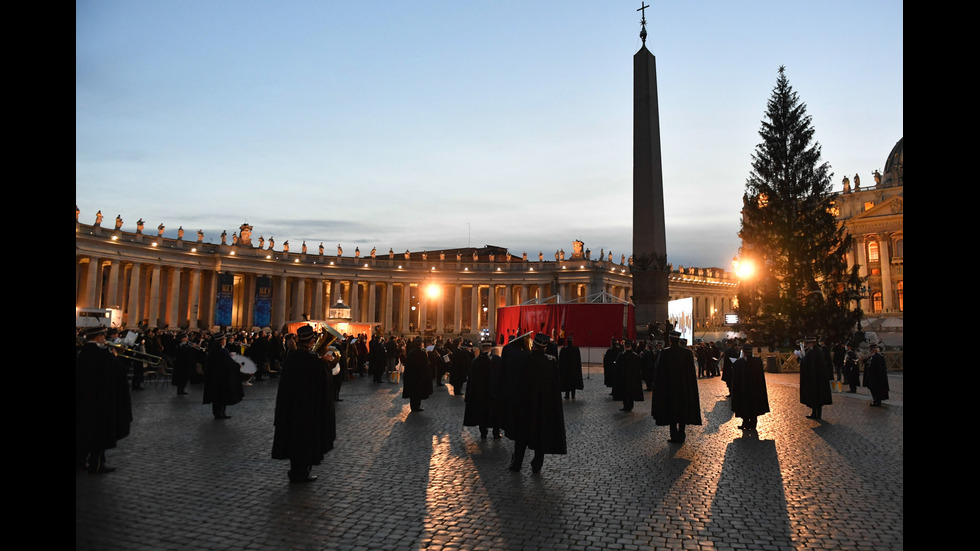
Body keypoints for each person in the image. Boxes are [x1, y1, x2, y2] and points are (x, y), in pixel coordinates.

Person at [272, 325, 337, 484]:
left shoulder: (292, 357)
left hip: (292, 410)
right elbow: (326, 383)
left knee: (294, 442)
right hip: (309, 411)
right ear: (312, 341)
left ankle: (295, 470)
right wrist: (327, 364)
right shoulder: (314, 361)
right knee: (306, 444)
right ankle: (302, 472)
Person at [506, 333, 567, 474]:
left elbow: (519, 384)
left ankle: (517, 463)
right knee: (541, 435)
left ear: (534, 345)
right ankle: (537, 464)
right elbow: (555, 386)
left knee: (521, 436)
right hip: (543, 406)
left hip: (526, 405)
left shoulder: (525, 360)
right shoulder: (551, 362)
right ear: (545, 347)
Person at [76, 326, 132, 474]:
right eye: (103, 336)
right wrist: (115, 356)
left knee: (84, 431)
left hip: (84, 401)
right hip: (101, 402)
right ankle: (97, 463)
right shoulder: (103, 355)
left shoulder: (82, 353)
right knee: (99, 434)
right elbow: (119, 373)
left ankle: (80, 461)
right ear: (99, 337)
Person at [651, 330, 701, 443]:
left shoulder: (664, 353)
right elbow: (691, 374)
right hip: (683, 389)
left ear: (670, 340)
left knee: (671, 412)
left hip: (669, 389)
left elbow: (659, 373)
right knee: (682, 412)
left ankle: (674, 435)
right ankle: (682, 434)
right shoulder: (687, 353)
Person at [463, 339, 503, 439]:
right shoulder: (497, 360)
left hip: (479, 393)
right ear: (491, 348)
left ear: (481, 347)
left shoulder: (476, 361)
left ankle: (483, 432)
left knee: (482, 413)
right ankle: (496, 432)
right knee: (495, 413)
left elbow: (471, 380)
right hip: (494, 392)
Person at [202, 332, 244, 420]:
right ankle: (221, 412)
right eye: (224, 339)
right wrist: (237, 366)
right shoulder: (222, 351)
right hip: (222, 377)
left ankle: (218, 413)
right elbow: (229, 363)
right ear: (220, 341)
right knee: (222, 396)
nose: (225, 340)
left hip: (215, 377)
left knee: (217, 397)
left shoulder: (213, 350)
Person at [729, 345, 770, 431]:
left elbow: (734, 375)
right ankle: (753, 423)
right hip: (755, 389)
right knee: (754, 405)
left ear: (743, 352)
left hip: (744, 389)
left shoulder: (739, 363)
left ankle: (746, 423)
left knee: (744, 406)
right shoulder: (757, 361)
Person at [799, 338, 832, 420]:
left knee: (815, 396)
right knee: (818, 397)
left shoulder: (812, 352)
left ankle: (816, 414)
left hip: (813, 378)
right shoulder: (818, 351)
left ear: (811, 344)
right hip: (819, 378)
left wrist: (801, 359)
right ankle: (816, 413)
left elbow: (806, 363)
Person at [613, 340, 644, 412]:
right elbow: (639, 367)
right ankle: (630, 406)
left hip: (623, 378)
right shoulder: (635, 356)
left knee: (624, 393)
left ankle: (625, 406)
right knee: (631, 392)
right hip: (632, 378)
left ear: (624, 346)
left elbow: (617, 367)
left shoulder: (621, 356)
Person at [402, 337, 433, 412]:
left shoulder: (411, 352)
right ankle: (417, 406)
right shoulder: (422, 353)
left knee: (413, 392)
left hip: (411, 375)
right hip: (420, 376)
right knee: (418, 391)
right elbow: (425, 365)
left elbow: (408, 365)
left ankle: (413, 406)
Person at [558, 335, 584, 400]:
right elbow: (578, 361)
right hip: (573, 369)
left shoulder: (564, 350)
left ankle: (567, 395)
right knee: (573, 382)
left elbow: (561, 361)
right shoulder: (575, 349)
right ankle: (573, 395)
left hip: (566, 370)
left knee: (567, 382)